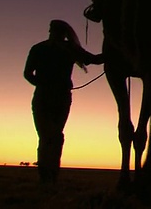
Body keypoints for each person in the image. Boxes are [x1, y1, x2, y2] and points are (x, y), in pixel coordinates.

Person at [23, 20, 104, 184]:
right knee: (51, 135)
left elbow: (93, 60)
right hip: (49, 97)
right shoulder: (57, 49)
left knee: (51, 136)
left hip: (55, 97)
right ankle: (48, 174)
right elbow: (27, 73)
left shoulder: (55, 48)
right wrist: (45, 84)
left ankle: (48, 175)